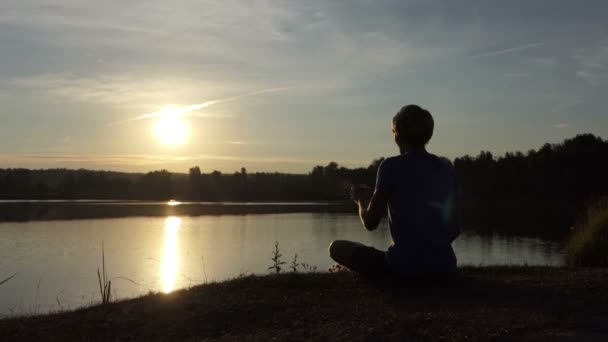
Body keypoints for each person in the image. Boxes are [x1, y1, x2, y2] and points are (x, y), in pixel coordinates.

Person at [329, 104, 461, 281]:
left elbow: (370, 223)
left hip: (403, 270)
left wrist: (360, 200)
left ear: (400, 134)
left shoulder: (390, 166)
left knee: (336, 247)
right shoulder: (446, 168)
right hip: (445, 269)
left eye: (394, 133)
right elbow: (454, 229)